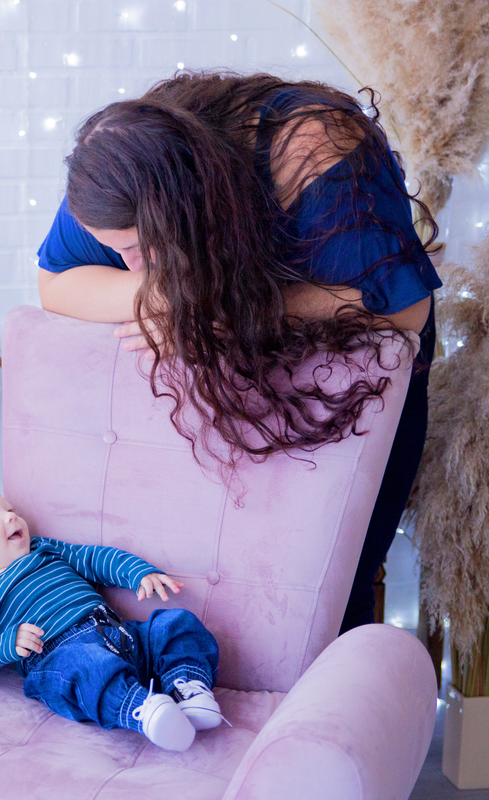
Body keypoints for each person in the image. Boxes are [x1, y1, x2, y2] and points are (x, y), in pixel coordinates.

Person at [36, 71, 441, 632]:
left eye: (134, 249)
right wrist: (167, 297)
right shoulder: (113, 171)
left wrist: (224, 311)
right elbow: (54, 283)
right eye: (115, 251)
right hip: (239, 383)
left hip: (352, 372)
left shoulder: (312, 146)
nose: (125, 265)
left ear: (181, 210)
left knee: (329, 593)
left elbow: (401, 308)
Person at [0, 481, 223, 752]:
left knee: (174, 623)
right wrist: (7, 643)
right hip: (57, 654)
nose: (11, 516)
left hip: (118, 633)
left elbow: (93, 558)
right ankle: (141, 708)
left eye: (9, 509)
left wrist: (137, 573)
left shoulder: (44, 549)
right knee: (82, 669)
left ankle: (187, 688)